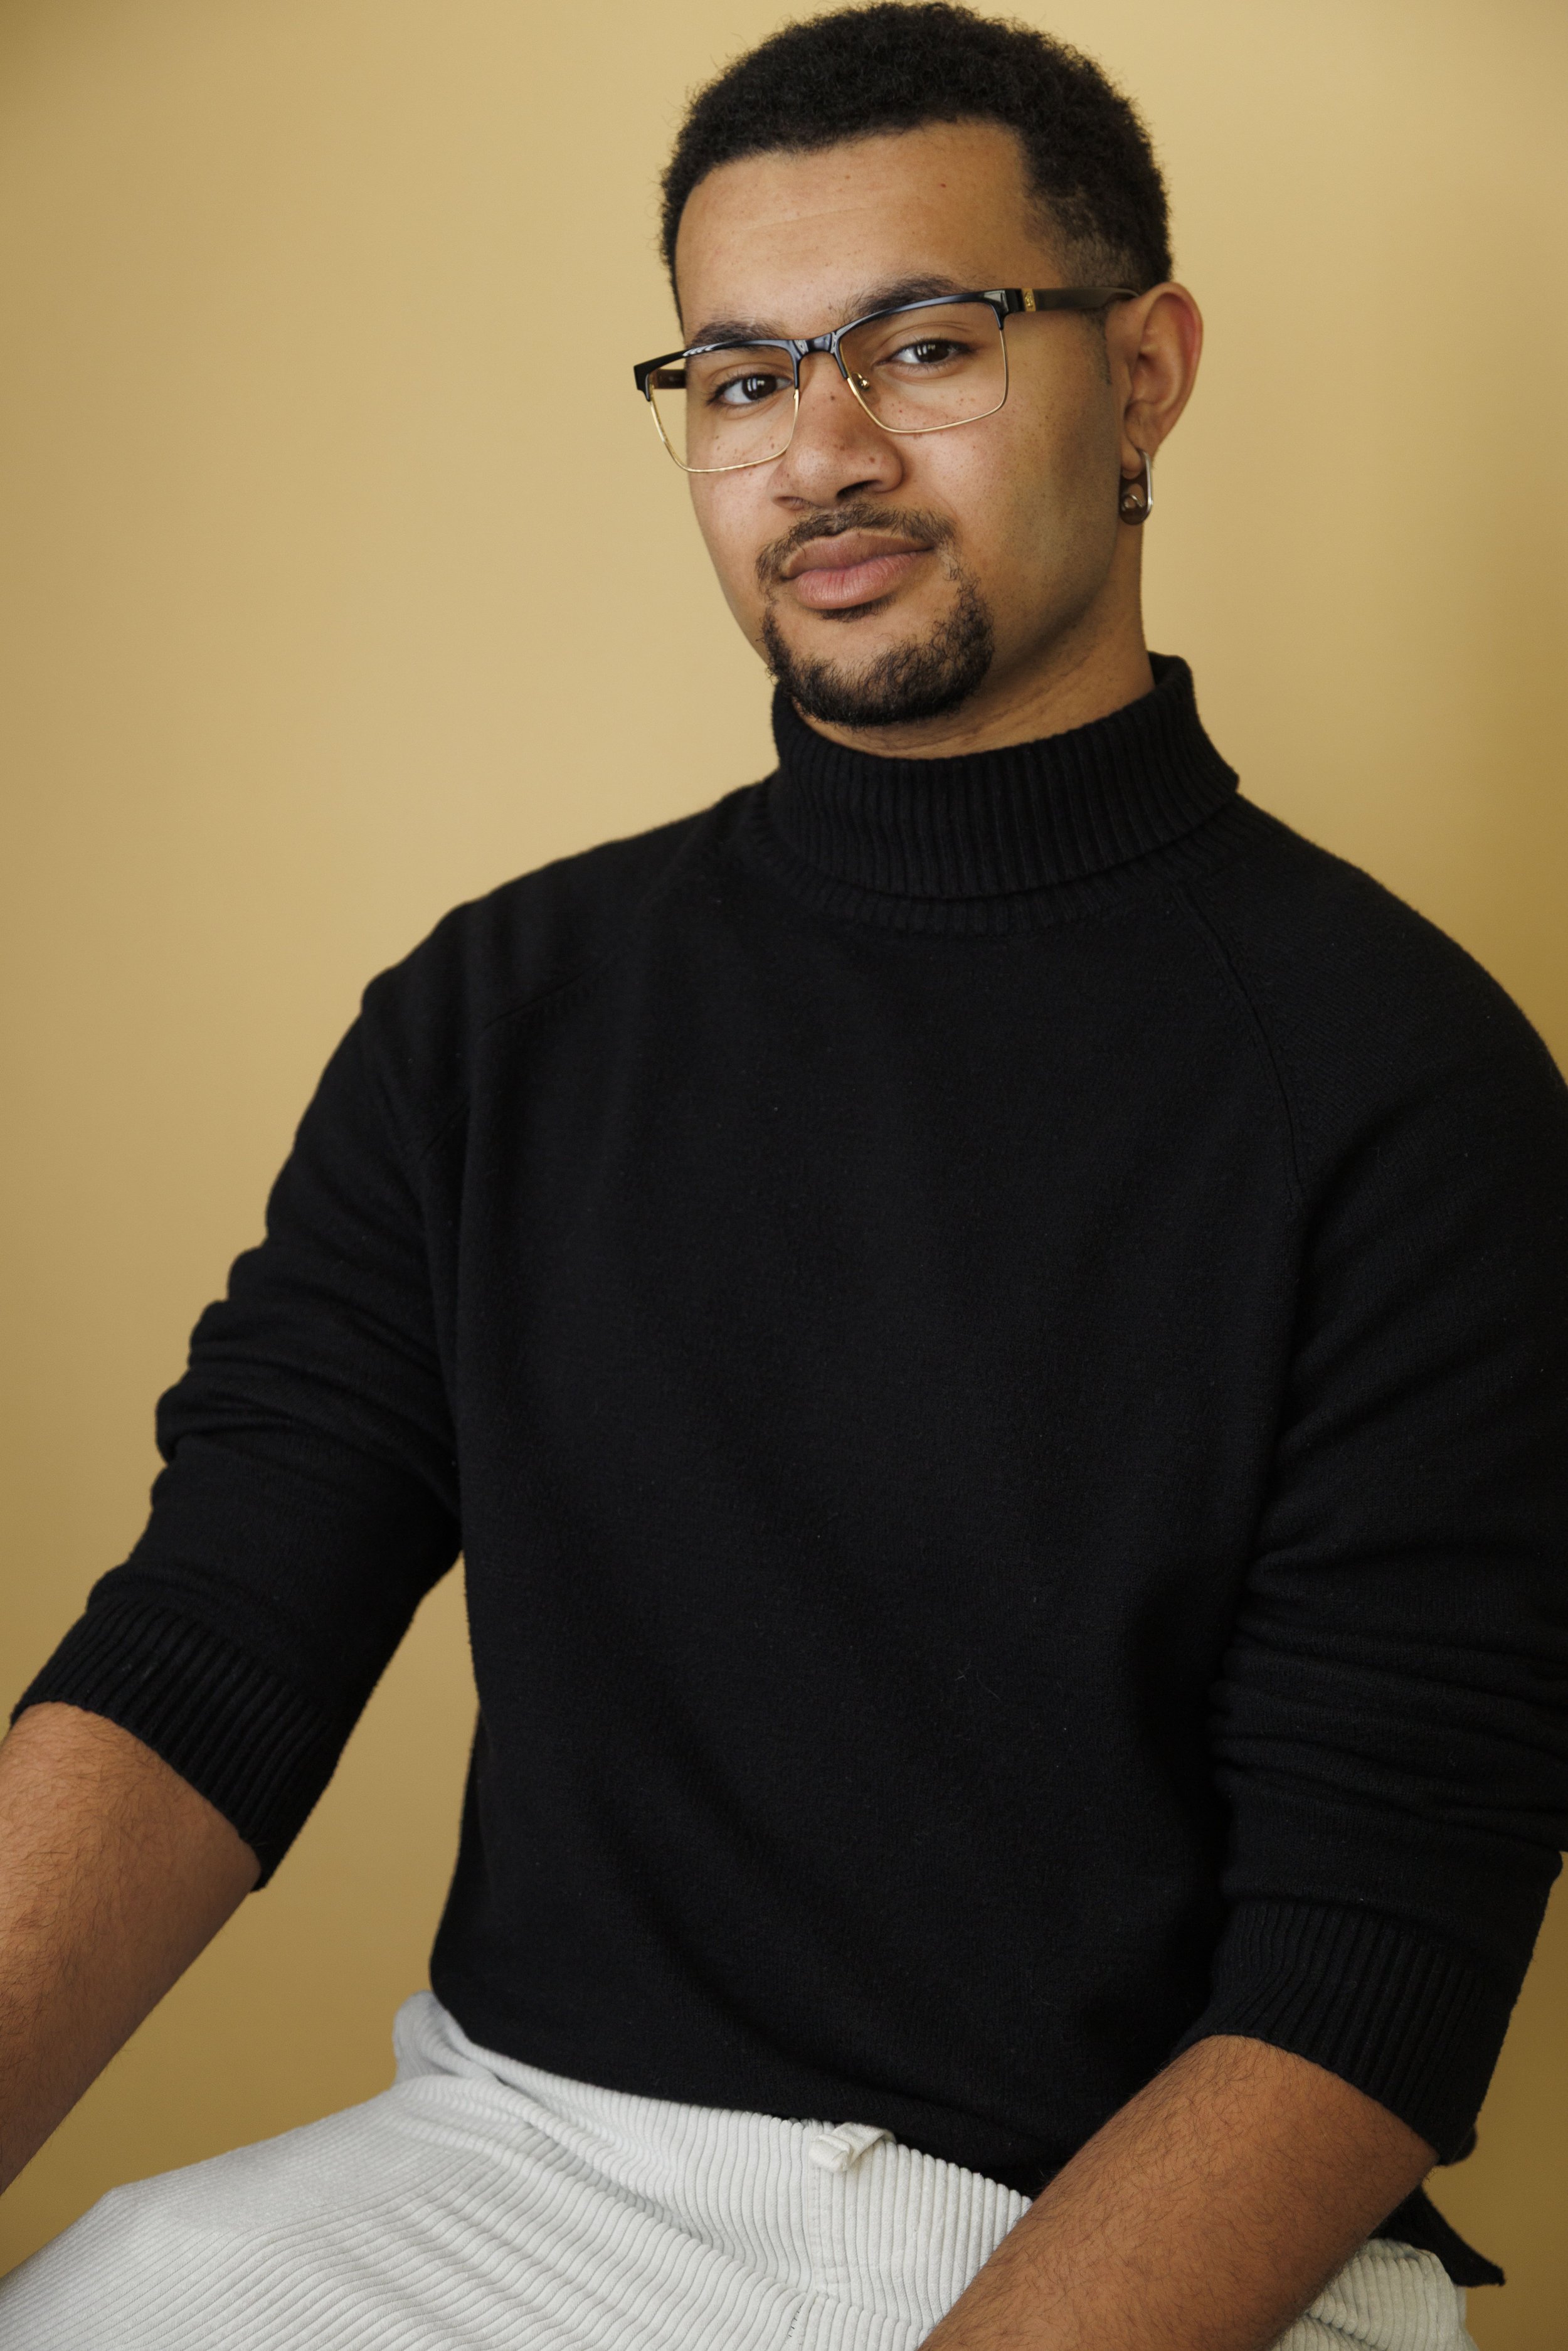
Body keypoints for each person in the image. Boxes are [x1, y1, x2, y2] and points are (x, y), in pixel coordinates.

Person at [2, 6, 1565, 2345]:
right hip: (522, 2166)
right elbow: (205, 1657)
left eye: (923, 345)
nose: (819, 453)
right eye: (739, 378)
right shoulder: (496, 1016)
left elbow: (1370, 1962)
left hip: (1137, 2229)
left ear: (1143, 374)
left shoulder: (1405, 1084)